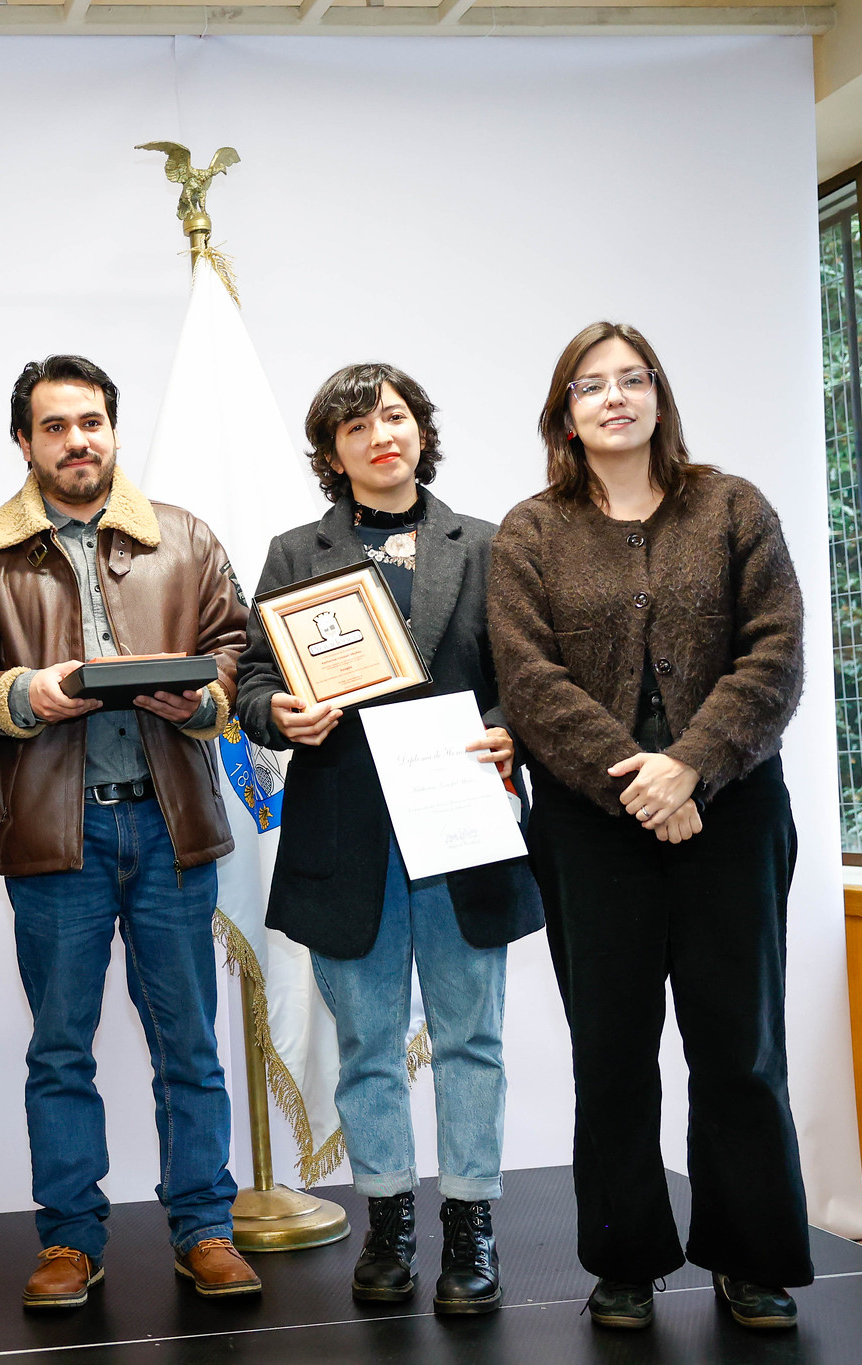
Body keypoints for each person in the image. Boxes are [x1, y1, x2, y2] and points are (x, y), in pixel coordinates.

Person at [0, 354, 260, 1309]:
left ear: (113, 429)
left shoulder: (185, 537)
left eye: (92, 422)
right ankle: (70, 1240)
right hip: (54, 839)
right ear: (24, 442)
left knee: (188, 1043)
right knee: (61, 1049)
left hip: (170, 827)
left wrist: (202, 697)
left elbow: (236, 647)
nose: (78, 441)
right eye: (56, 426)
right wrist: (26, 692)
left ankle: (205, 1227)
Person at [488, 322, 808, 1332]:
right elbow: (527, 680)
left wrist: (690, 766)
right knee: (611, 1052)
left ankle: (749, 1257)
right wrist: (637, 782)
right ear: (564, 414)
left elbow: (775, 653)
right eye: (590, 385)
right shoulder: (529, 532)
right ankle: (623, 1258)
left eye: (632, 379)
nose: (614, 397)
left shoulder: (732, 507)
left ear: (659, 398)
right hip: (590, 826)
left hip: (733, 812)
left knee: (739, 1047)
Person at [234, 363, 543, 1316]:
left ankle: (471, 1223)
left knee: (471, 1038)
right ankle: (388, 1220)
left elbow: (530, 675)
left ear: (421, 431)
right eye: (358, 425)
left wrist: (511, 728)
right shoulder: (297, 552)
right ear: (333, 453)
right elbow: (252, 679)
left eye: (397, 416)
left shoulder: (487, 543)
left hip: (461, 824)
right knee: (368, 1043)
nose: (382, 435)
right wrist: (278, 713)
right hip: (347, 833)